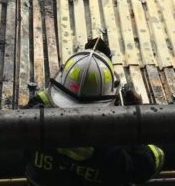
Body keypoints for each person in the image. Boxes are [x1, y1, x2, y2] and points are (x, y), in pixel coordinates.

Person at [24, 38, 164, 186]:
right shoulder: (116, 155)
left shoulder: (33, 129)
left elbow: (37, 103)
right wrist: (133, 119)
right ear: (110, 100)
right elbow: (153, 159)